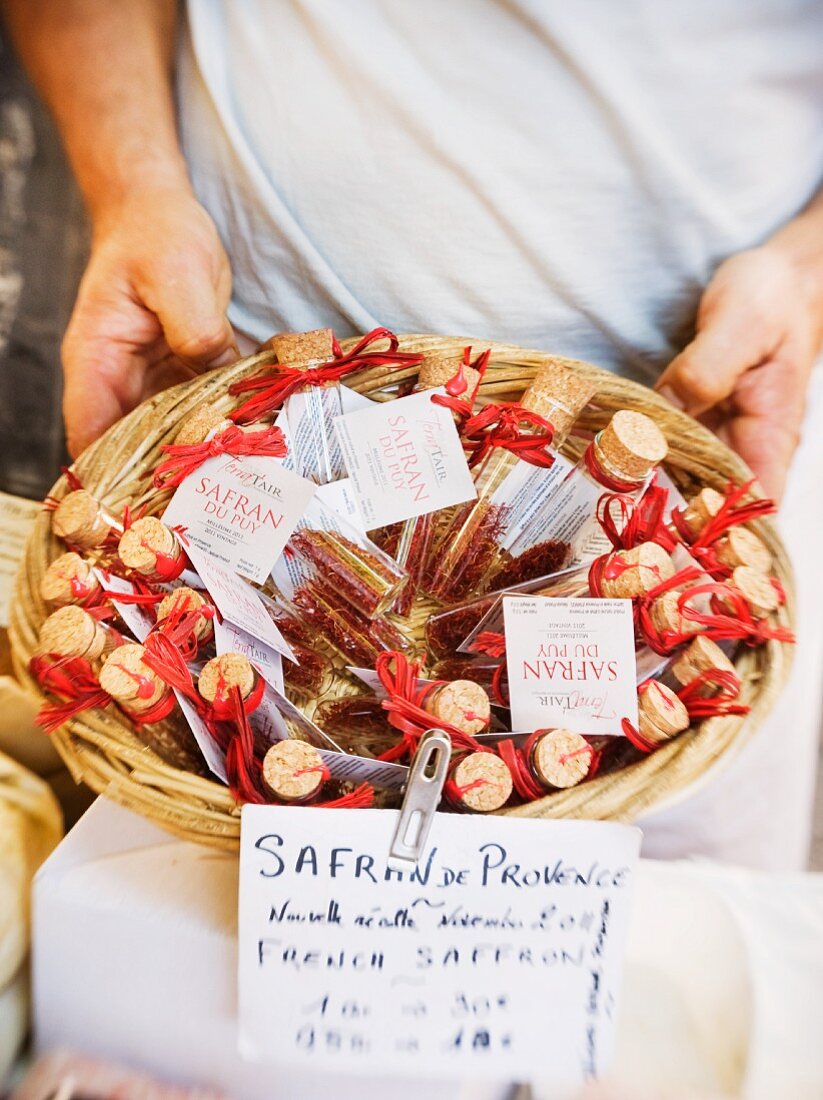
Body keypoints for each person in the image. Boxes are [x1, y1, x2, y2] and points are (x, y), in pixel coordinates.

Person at [3, 1, 822, 873]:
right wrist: (133, 190)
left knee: (668, 976)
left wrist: (807, 271)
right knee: (204, 975)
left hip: (679, 469)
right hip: (251, 386)